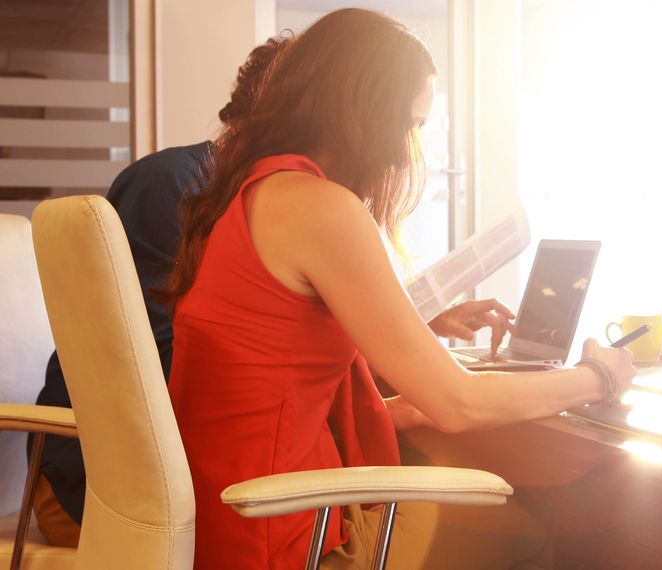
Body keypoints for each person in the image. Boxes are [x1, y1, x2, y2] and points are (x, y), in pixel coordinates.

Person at [161, 8, 636, 570]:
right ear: (365, 114)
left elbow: (266, 389)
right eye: (410, 125)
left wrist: (400, 410)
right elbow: (458, 403)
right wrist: (598, 377)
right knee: (533, 533)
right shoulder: (320, 209)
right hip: (279, 536)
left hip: (220, 519)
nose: (403, 151)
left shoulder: (248, 195)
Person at [27, 32, 513, 549]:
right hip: (100, 485)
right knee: (478, 533)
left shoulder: (247, 195)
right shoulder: (181, 189)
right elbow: (171, 371)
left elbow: (256, 349)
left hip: (170, 478)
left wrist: (402, 327)